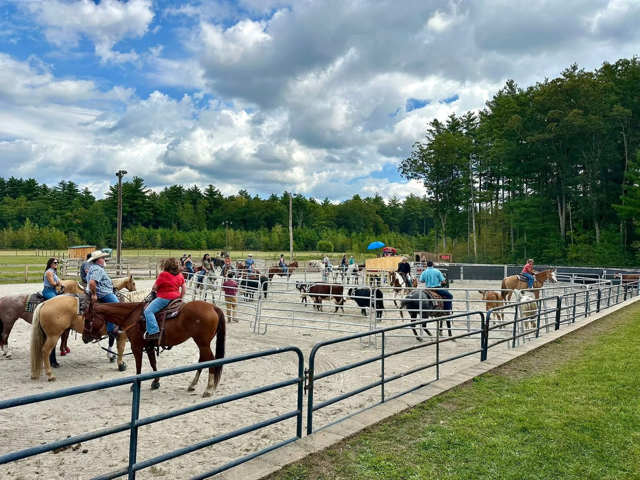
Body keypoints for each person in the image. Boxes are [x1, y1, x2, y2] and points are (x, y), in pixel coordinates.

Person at [87, 250, 119, 360]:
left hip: (104, 291)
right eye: (103, 258)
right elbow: (92, 282)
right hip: (104, 294)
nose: (104, 260)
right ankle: (112, 330)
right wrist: (95, 294)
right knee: (117, 308)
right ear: (99, 260)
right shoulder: (97, 269)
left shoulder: (94, 268)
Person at [144, 258, 186, 341]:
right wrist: (181, 297)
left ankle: (154, 331)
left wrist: (154, 290)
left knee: (148, 311)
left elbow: (154, 287)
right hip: (176, 299)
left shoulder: (163, 274)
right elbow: (184, 288)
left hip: (164, 298)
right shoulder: (180, 275)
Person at [42, 257, 61, 368]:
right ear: (50, 264)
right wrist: (59, 284)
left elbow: (59, 281)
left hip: (54, 290)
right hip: (48, 291)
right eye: (54, 262)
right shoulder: (49, 272)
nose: (56, 264)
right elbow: (52, 283)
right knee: (56, 303)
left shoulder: (54, 272)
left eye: (57, 262)